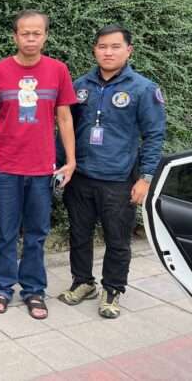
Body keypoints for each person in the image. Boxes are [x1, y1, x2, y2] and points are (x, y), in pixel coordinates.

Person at [57, 25, 166, 318]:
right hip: (80, 177)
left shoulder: (144, 89)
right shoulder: (79, 86)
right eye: (102, 46)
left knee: (117, 240)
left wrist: (145, 178)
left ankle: (112, 290)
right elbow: (65, 129)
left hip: (119, 180)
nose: (108, 52)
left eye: (115, 47)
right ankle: (83, 282)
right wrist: (59, 166)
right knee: (79, 234)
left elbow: (154, 136)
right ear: (94, 49)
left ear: (128, 50)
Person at [0, 9, 77, 320]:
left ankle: (34, 289)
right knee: (6, 232)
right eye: (25, 33)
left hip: (43, 168)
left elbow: (64, 117)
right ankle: (2, 286)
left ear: (45, 36)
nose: (31, 38)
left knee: (36, 232)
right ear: (15, 36)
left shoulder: (58, 70)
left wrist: (71, 160)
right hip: (6, 167)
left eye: (37, 33)